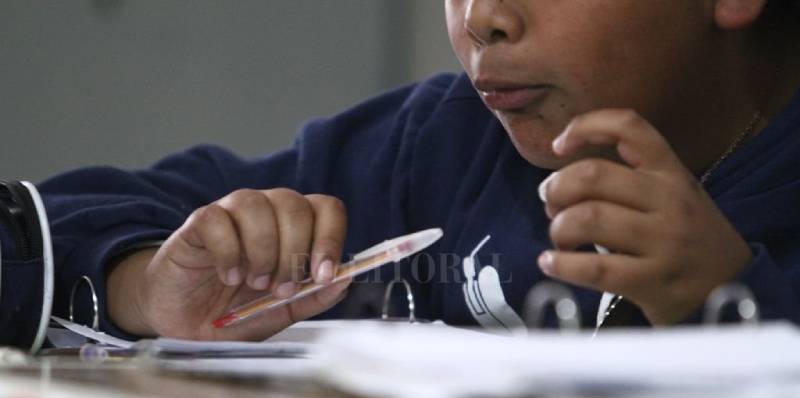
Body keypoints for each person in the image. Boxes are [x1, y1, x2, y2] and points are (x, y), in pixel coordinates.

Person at [4, 0, 800, 347]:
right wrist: (146, 287)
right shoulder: (443, 145)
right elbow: (30, 238)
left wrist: (733, 302)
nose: (482, 18)